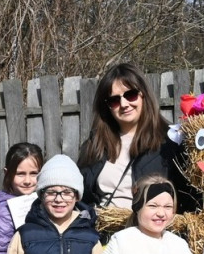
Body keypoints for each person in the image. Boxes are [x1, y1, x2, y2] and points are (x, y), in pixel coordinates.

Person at [77, 63, 196, 211]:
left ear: (143, 94)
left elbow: (190, 200)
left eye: (130, 95)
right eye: (114, 100)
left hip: (151, 232)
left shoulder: (170, 143)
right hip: (102, 231)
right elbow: (81, 197)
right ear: (106, 106)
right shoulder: (94, 145)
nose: (124, 104)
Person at [0, 143, 44, 254]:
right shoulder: (3, 210)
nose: (27, 180)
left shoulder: (44, 201)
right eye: (20, 174)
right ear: (7, 173)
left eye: (33, 173)